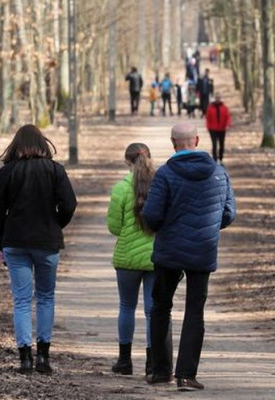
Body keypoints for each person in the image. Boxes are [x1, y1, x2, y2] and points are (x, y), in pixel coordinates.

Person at [142, 123, 237, 392]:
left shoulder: (165, 174)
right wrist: (207, 229)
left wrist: (167, 228)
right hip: (203, 250)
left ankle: (161, 372)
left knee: (161, 306)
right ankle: (186, 375)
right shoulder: (218, 173)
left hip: (169, 251)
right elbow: (229, 213)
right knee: (195, 311)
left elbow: (151, 215)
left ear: (174, 143)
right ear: (196, 140)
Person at [0, 124, 77, 375]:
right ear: (43, 143)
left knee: (21, 300)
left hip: (15, 243)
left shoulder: (8, 172)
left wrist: (2, 243)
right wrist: (55, 224)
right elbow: (69, 204)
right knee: (46, 297)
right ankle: (44, 358)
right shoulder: (55, 170)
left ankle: (25, 358)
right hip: (46, 242)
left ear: (16, 145)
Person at [107, 143, 173, 377]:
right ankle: (151, 362)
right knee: (152, 310)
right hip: (156, 257)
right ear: (150, 158)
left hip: (127, 259)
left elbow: (114, 227)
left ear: (127, 162)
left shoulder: (120, 189)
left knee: (126, 307)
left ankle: (124, 361)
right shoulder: (163, 186)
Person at [205, 93, 232, 164]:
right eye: (216, 98)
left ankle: (221, 158)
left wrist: (228, 125)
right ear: (215, 98)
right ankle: (215, 159)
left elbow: (228, 117)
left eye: (219, 98)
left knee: (221, 144)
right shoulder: (210, 108)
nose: (217, 99)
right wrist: (208, 127)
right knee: (214, 144)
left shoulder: (224, 108)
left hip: (222, 129)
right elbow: (208, 118)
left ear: (220, 98)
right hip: (213, 129)